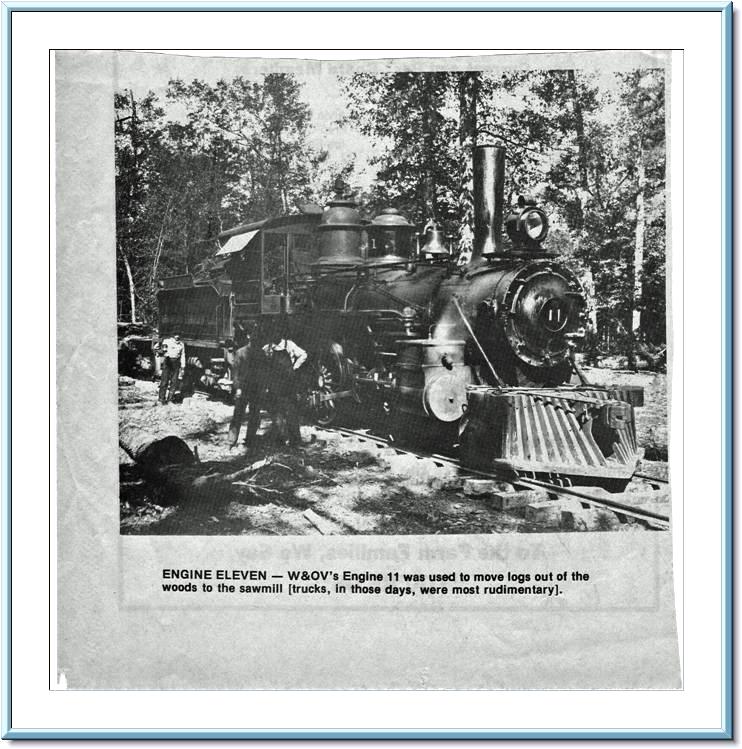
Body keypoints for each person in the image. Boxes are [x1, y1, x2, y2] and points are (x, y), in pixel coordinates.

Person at [262, 327, 308, 446]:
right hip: (274, 384)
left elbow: (304, 355)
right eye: (272, 333)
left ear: (280, 334)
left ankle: (295, 440)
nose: (275, 335)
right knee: (277, 413)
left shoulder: (289, 345)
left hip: (288, 384)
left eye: (276, 333)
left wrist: (294, 367)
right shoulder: (268, 348)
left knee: (291, 412)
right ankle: (281, 439)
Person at [228, 335, 268, 448]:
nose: (257, 342)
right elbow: (235, 374)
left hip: (256, 389)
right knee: (238, 415)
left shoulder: (261, 354)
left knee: (254, 415)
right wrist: (238, 388)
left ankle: (250, 439)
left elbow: (264, 373)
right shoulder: (241, 352)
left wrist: (263, 387)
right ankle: (231, 441)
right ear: (250, 340)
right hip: (244, 388)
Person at [158, 333, 186, 404]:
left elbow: (183, 355)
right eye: (176, 335)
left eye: (179, 335)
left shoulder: (181, 344)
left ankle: (170, 399)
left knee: (174, 382)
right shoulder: (167, 341)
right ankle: (161, 399)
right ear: (173, 335)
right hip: (168, 362)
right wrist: (163, 352)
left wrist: (183, 366)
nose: (177, 336)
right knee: (164, 381)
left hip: (176, 363)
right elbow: (160, 349)